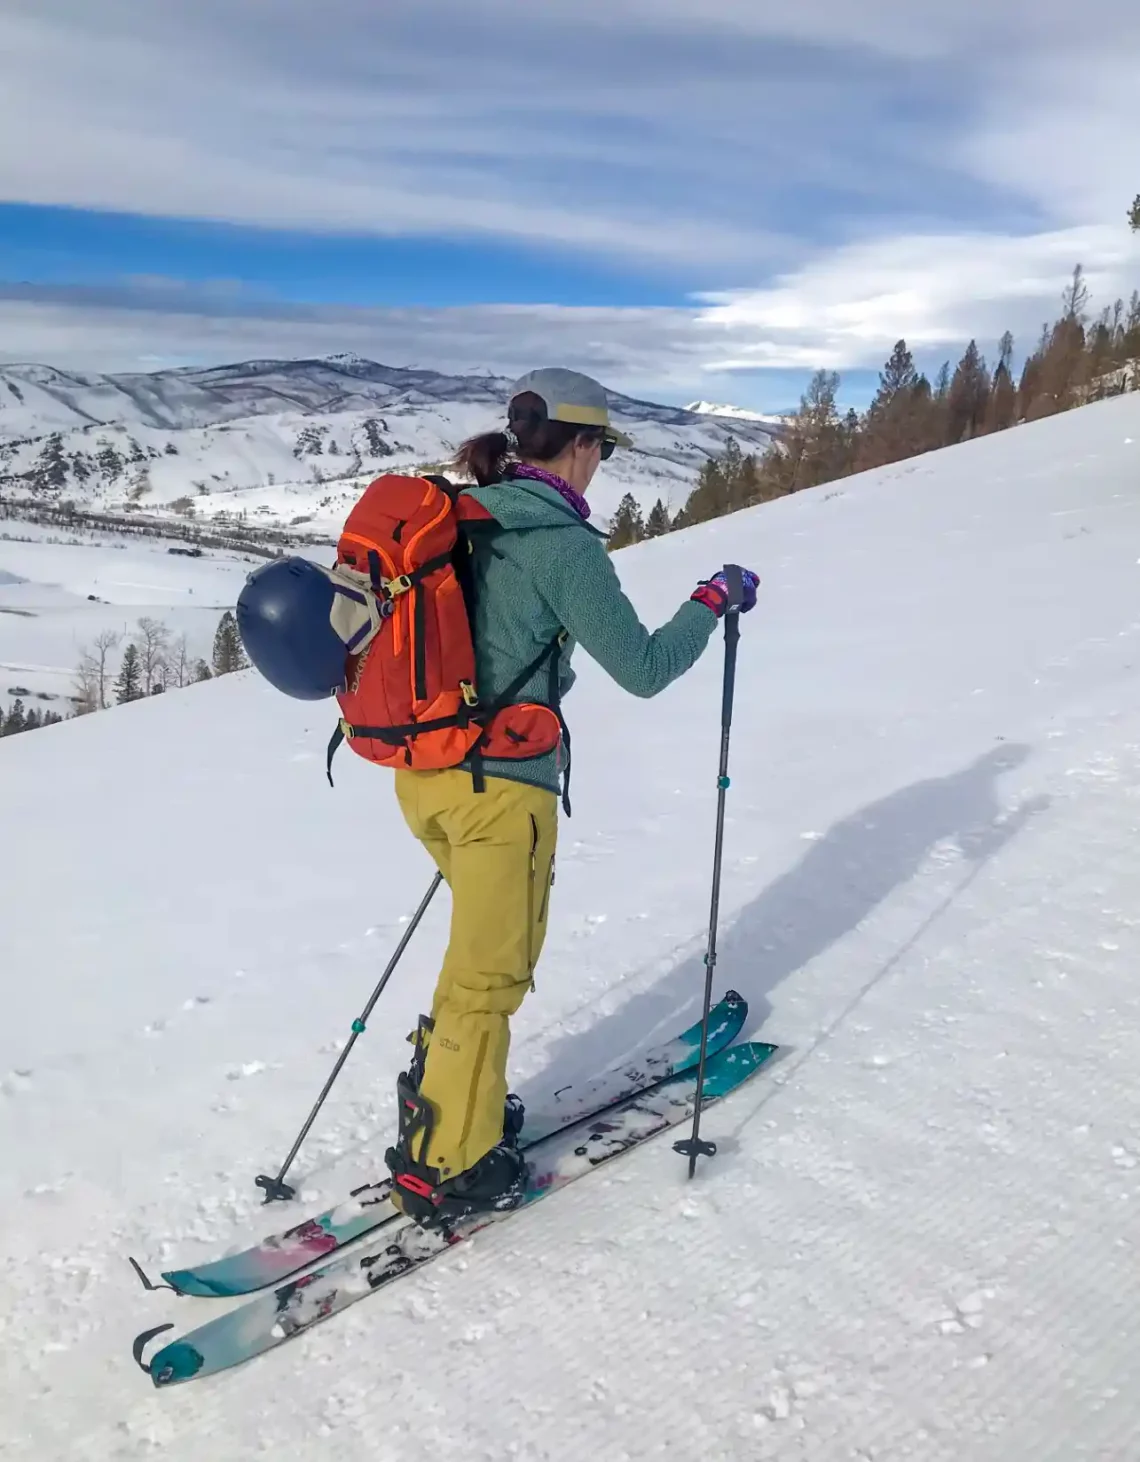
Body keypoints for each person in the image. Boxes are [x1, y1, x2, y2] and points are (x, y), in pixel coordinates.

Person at [383, 367, 760, 1225]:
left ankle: (446, 1110)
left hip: (423, 777)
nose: (603, 463)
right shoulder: (561, 543)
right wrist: (711, 601)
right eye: (604, 447)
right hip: (498, 795)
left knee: (469, 967)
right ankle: (452, 1164)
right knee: (490, 978)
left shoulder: (466, 517)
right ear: (582, 445)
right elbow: (646, 668)